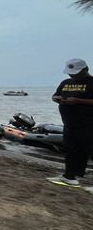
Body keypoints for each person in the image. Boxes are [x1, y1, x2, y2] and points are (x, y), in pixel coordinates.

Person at [46, 58, 93, 190]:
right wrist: (58, 99)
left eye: (76, 72)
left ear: (85, 69)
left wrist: (78, 101)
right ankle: (69, 177)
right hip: (70, 124)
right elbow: (56, 95)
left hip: (89, 124)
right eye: (70, 72)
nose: (72, 75)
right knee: (72, 151)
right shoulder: (65, 83)